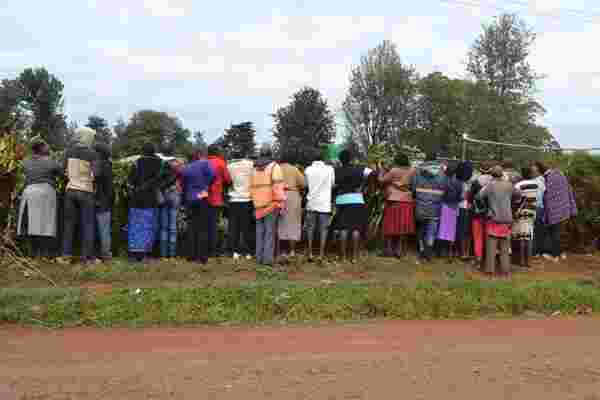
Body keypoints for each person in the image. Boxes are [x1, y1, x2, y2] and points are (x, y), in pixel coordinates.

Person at [58, 127, 99, 265]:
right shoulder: (92, 153)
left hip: (70, 190)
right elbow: (97, 173)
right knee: (87, 224)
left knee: (68, 224)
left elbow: (61, 169)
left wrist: (70, 176)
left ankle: (66, 256)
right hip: (86, 191)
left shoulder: (67, 151)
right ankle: (86, 257)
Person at [17, 141, 62, 259]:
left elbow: (22, 171)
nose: (49, 148)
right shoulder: (51, 162)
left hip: (29, 192)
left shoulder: (26, 162)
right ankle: (44, 252)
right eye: (46, 147)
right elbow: (62, 173)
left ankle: (33, 252)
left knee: (31, 223)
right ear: (41, 149)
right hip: (45, 192)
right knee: (46, 223)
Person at [477, 166, 521, 278]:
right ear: (502, 174)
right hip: (507, 219)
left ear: (492, 175)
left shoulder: (490, 186)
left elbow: (478, 196)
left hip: (494, 218)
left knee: (491, 246)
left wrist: (485, 207)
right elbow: (518, 195)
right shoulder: (509, 185)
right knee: (505, 247)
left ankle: (489, 271)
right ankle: (505, 271)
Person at [332, 149, 373, 263]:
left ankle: (343, 257)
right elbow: (373, 173)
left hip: (341, 200)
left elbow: (333, 184)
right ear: (351, 159)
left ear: (340, 160)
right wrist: (366, 187)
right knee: (356, 229)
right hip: (357, 199)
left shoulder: (336, 170)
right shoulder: (360, 168)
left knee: (343, 229)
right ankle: (354, 257)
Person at [127, 143, 163, 263]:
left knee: (136, 226)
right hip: (151, 200)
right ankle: (147, 255)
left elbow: (130, 181)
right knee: (149, 226)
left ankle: (134, 254)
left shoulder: (136, 163)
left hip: (136, 199)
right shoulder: (159, 163)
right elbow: (160, 181)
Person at [250, 147, 286, 266]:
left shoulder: (254, 168)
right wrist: (280, 202)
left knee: (259, 232)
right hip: (271, 204)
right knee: (270, 233)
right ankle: (268, 259)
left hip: (257, 204)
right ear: (270, 155)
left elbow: (251, 186)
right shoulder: (274, 167)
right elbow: (278, 186)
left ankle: (259, 258)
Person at [536, 161, 577, 263]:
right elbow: (569, 190)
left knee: (554, 233)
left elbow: (547, 196)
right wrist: (572, 207)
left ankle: (554, 255)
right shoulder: (560, 174)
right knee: (559, 232)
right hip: (565, 208)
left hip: (554, 210)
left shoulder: (547, 179)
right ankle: (560, 253)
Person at [378, 152, 415, 258]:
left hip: (393, 200)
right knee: (402, 227)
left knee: (390, 225)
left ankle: (388, 250)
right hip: (407, 200)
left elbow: (381, 181)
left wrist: (382, 171)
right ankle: (399, 250)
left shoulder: (394, 171)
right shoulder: (412, 171)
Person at [182, 148, 215, 264]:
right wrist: (205, 187)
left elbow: (183, 185)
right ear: (197, 156)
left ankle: (191, 255)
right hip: (202, 197)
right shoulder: (205, 164)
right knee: (203, 228)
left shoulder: (185, 168)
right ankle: (202, 257)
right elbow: (212, 176)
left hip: (190, 199)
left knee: (191, 227)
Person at [411, 159, 447, 262]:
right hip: (435, 206)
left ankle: (421, 250)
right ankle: (429, 251)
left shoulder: (418, 172)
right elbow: (445, 189)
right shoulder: (442, 173)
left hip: (420, 205)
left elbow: (413, 188)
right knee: (432, 230)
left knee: (421, 228)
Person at [304, 148, 335, 262]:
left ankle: (310, 253)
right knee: (323, 230)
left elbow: (306, 185)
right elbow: (332, 185)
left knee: (310, 229)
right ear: (323, 158)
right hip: (324, 203)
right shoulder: (330, 169)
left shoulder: (308, 169)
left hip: (311, 202)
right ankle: (321, 254)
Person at [227, 150, 255, 261]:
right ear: (244, 155)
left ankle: (234, 251)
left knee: (234, 228)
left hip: (234, 199)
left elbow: (227, 181)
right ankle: (248, 252)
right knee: (247, 227)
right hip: (247, 199)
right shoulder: (250, 164)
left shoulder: (229, 166)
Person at [277, 151, 306, 260]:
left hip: (278, 195)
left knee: (280, 223)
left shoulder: (276, 168)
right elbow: (304, 183)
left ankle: (281, 250)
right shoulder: (294, 169)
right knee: (293, 223)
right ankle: (292, 251)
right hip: (292, 196)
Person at [512, 166, 540, 268]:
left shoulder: (518, 185)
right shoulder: (536, 185)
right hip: (532, 212)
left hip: (521, 212)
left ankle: (522, 261)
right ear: (531, 174)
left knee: (522, 237)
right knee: (529, 236)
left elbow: (516, 200)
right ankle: (529, 261)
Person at [206, 145, 232, 257]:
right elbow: (228, 180)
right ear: (218, 152)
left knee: (205, 225)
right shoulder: (221, 163)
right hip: (216, 198)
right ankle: (214, 251)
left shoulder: (203, 162)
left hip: (204, 198)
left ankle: (205, 249)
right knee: (215, 225)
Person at [470, 161, 494, 268]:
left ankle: (478, 260)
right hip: (491, 214)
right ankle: (488, 260)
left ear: (480, 170)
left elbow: (470, 198)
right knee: (489, 238)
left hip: (477, 213)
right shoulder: (494, 182)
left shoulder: (475, 182)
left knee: (478, 238)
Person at [437, 165, 463, 259]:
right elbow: (461, 197)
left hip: (444, 206)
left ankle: (440, 251)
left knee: (442, 230)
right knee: (452, 231)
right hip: (454, 208)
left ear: (446, 172)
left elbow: (441, 195)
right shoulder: (459, 183)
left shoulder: (443, 182)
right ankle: (450, 253)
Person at [158, 158, 182, 259]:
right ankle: (171, 255)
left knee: (163, 228)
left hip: (163, 199)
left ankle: (163, 255)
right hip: (174, 198)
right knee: (172, 228)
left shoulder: (161, 174)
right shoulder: (178, 174)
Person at [93, 143, 113, 262]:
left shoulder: (93, 166)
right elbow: (109, 187)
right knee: (104, 230)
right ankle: (105, 255)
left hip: (92, 199)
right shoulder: (107, 166)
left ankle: (94, 254)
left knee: (93, 229)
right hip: (104, 201)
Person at [455, 161, 474, 259]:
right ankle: (465, 252)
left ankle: (463, 252)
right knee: (466, 231)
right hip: (466, 208)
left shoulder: (458, 182)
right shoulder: (468, 183)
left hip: (461, 208)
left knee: (463, 230)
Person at [530, 162, 547, 257]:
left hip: (535, 207)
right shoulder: (543, 180)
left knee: (534, 230)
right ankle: (538, 251)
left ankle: (535, 251)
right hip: (540, 208)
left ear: (538, 172)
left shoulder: (536, 181)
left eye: (533, 171)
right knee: (539, 230)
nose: (532, 173)